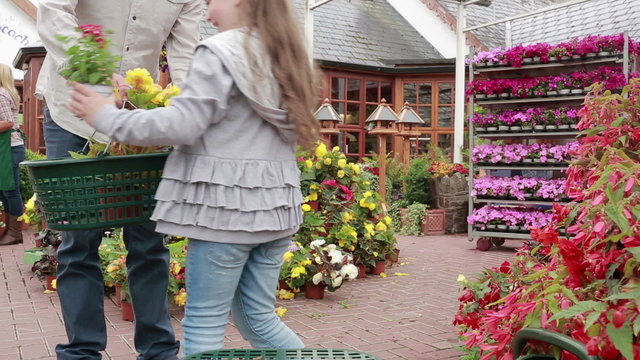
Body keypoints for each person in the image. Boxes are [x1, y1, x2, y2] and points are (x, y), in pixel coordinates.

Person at [68, 0, 320, 355]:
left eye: (209, 0)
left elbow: (184, 124)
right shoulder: (284, 54)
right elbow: (228, 123)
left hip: (225, 216)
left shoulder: (219, 50)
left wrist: (106, 116)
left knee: (204, 324)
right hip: (275, 212)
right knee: (258, 319)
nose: (204, 9)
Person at [36, 1, 202, 359]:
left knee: (149, 242)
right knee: (78, 242)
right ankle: (81, 351)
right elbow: (52, 9)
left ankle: (159, 351)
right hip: (74, 109)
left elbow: (186, 58)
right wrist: (94, 70)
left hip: (137, 119)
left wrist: (193, 119)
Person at [0, 63, 25, 246]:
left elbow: (8, 123)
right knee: (5, 189)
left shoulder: (1, 94)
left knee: (10, 190)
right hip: (9, 147)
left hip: (9, 147)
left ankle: (15, 233)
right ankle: (10, 231)